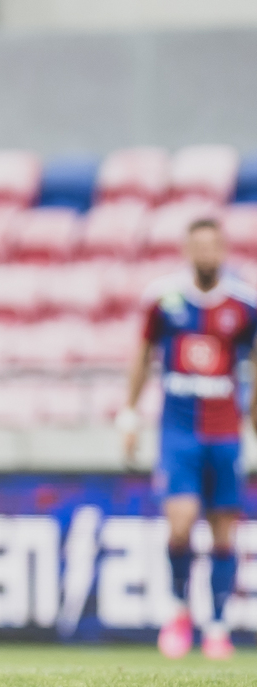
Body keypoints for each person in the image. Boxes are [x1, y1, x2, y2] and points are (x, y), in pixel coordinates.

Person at [119, 217, 255, 661]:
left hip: (225, 432)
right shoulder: (164, 298)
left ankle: (217, 625)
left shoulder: (244, 304)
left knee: (222, 532)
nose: (206, 254)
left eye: (213, 246)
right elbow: (143, 354)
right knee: (180, 524)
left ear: (223, 250)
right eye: (199, 246)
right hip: (178, 432)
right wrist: (129, 414)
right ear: (187, 250)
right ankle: (178, 611)